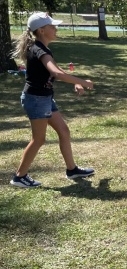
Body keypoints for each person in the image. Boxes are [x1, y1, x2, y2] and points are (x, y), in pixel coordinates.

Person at [10, 12, 95, 188]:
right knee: (39, 139)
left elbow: (55, 69)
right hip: (36, 99)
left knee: (64, 131)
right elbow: (56, 73)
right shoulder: (39, 49)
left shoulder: (42, 48)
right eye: (52, 26)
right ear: (41, 30)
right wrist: (83, 82)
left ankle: (72, 170)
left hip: (44, 98)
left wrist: (75, 83)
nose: (56, 29)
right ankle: (19, 176)